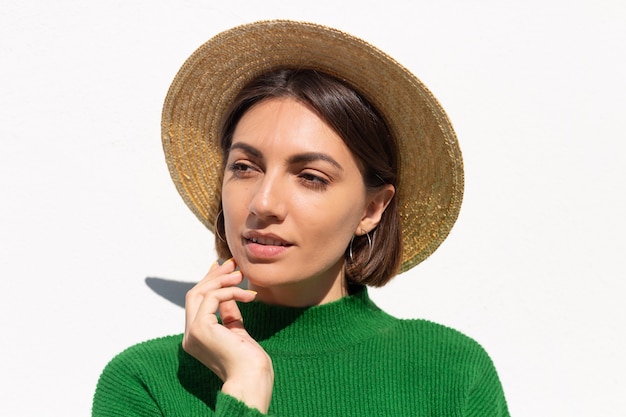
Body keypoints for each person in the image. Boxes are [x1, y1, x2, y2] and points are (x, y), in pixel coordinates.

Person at [92, 20, 509, 416]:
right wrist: (245, 389)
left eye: (311, 177)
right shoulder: (147, 381)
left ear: (371, 209)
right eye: (244, 167)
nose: (264, 202)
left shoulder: (450, 373)